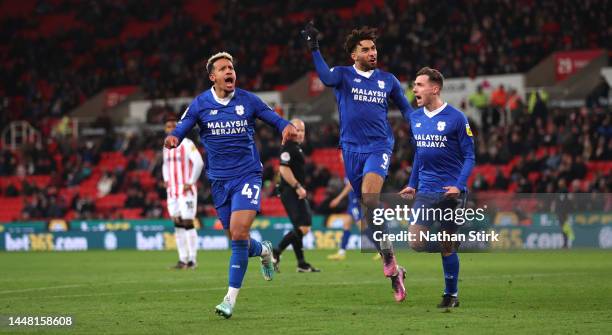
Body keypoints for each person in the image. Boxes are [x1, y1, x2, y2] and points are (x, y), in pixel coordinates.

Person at [164, 52, 297, 319]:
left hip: (248, 175)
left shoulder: (247, 100)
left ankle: (229, 300)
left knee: (238, 235)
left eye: (232, 68)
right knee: (238, 240)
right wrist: (174, 137)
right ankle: (265, 250)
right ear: (213, 76)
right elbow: (183, 125)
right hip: (219, 181)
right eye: (223, 68)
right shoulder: (201, 103)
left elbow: (273, 117)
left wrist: (286, 126)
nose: (230, 72)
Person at [301, 22, 412, 302]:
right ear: (354, 55)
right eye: (365, 49)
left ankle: (388, 259)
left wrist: (421, 128)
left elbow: (407, 110)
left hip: (379, 146)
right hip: (351, 149)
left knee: (370, 198)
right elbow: (324, 77)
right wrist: (314, 47)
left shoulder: (388, 80)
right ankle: (393, 267)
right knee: (367, 215)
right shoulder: (341, 75)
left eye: (373, 48)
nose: (372, 52)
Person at [399, 67, 476, 309]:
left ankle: (451, 294)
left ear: (435, 88)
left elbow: (470, 156)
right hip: (426, 191)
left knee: (446, 244)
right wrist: (412, 184)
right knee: (415, 241)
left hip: (450, 192)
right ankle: (452, 245)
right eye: (414, 85)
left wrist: (459, 186)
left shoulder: (457, 118)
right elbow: (419, 155)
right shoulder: (415, 118)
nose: (414, 89)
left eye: (419, 85)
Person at [273, 118, 320, 273]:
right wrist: (297, 186)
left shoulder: (295, 148)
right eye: (297, 130)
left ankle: (301, 263)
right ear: (290, 131)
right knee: (304, 227)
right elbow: (284, 169)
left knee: (298, 228)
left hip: (292, 191)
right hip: (291, 191)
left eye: (302, 131)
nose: (300, 133)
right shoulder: (289, 148)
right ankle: (275, 252)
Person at [162, 114, 204, 270]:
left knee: (187, 223)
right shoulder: (166, 146)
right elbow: (165, 165)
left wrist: (191, 181)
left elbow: (199, 163)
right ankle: (182, 259)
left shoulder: (186, 144)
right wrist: (166, 179)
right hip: (172, 191)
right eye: (168, 126)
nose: (170, 129)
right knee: (177, 224)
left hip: (186, 191)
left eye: (173, 126)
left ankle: (192, 260)